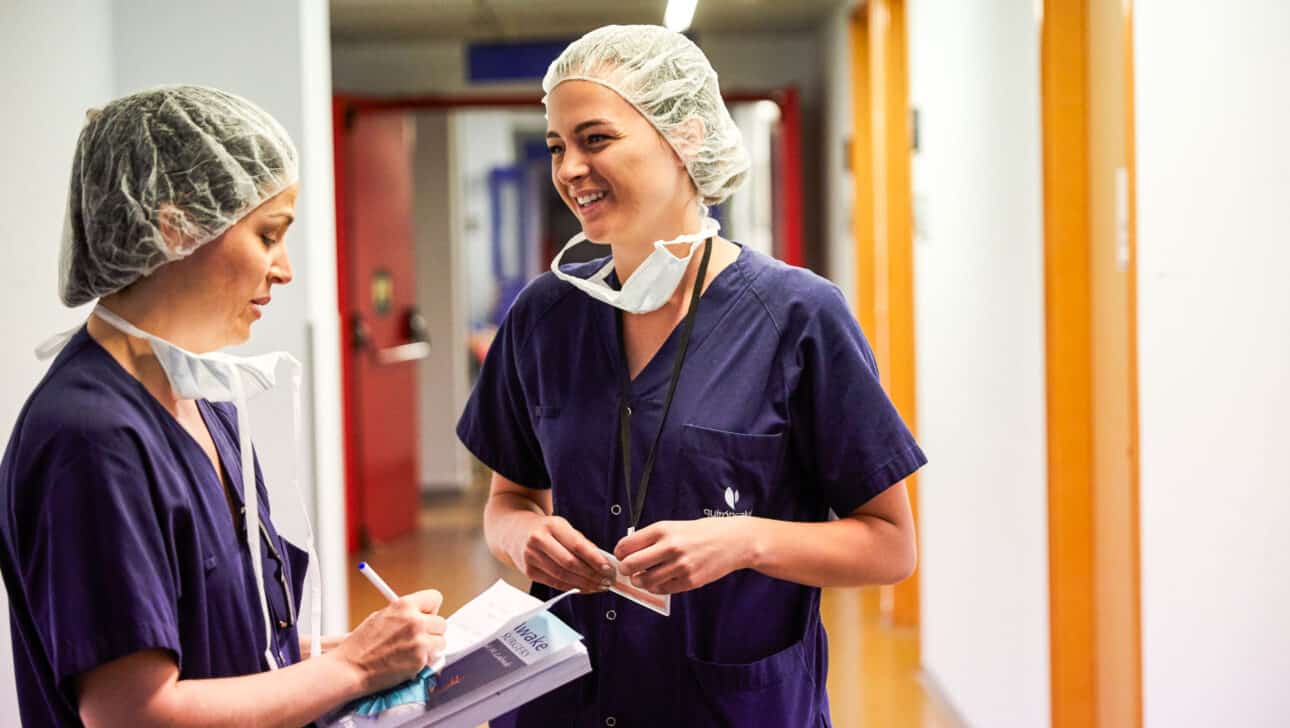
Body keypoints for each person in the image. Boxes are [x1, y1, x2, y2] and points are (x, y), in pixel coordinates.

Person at [457, 25, 925, 728]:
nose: (570, 168)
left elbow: (889, 545)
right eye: (558, 147)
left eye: (596, 139)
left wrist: (745, 540)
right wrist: (522, 537)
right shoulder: (544, 316)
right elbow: (510, 499)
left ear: (686, 136)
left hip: (727, 706)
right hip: (568, 701)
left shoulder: (796, 317)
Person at [0, 85, 446, 728]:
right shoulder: (92, 439)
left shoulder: (198, 399)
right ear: (173, 226)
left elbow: (224, 647)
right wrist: (353, 670)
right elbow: (134, 714)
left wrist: (359, 650)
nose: (285, 270)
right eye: (269, 235)